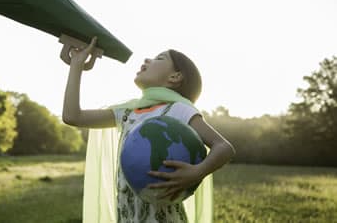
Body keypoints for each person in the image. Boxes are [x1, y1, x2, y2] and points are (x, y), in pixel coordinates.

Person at [63, 37, 235, 223]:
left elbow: (223, 147)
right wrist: (76, 65)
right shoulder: (129, 111)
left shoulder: (179, 109)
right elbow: (73, 116)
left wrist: (197, 172)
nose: (147, 60)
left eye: (159, 58)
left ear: (175, 77)